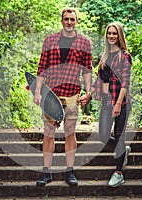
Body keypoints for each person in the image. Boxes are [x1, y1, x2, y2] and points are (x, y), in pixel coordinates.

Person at [33, 8, 92, 187]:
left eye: (72, 19)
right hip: (51, 94)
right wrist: (37, 91)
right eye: (66, 19)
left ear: (76, 21)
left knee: (70, 132)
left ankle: (70, 171)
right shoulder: (50, 40)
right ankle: (46, 172)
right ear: (61, 21)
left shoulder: (84, 42)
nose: (69, 22)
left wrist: (88, 92)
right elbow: (42, 68)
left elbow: (87, 70)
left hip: (73, 92)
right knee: (49, 132)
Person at [91, 22, 132, 187]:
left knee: (119, 134)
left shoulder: (125, 56)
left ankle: (118, 172)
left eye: (114, 33)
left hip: (121, 103)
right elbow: (99, 80)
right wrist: (88, 94)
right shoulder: (105, 56)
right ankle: (124, 150)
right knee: (102, 136)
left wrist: (118, 104)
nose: (111, 36)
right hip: (107, 103)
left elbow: (125, 83)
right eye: (109, 33)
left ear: (119, 35)